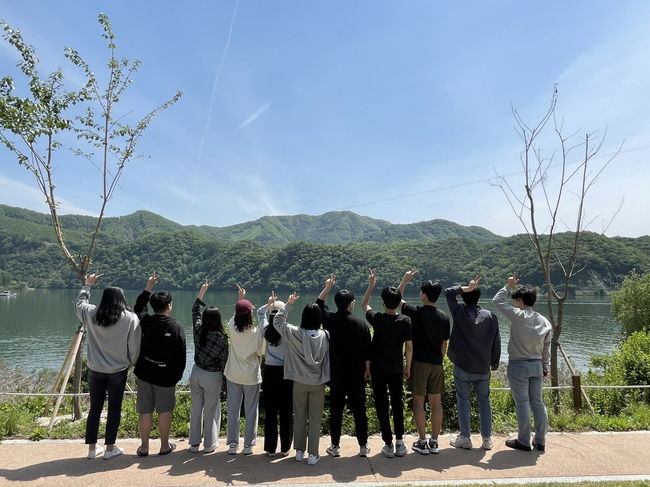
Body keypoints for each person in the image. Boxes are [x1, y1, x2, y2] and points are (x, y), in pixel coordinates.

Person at [74, 272, 141, 460]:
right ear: (122, 299)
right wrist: (131, 362)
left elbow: (79, 304)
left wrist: (87, 285)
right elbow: (134, 347)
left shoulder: (91, 313)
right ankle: (110, 448)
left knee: (94, 409)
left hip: (95, 369)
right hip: (118, 371)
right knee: (114, 409)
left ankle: (92, 449)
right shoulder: (130, 318)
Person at [492, 276, 552, 452]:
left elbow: (497, 301)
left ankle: (524, 440)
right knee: (538, 403)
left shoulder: (518, 315)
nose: (514, 303)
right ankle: (540, 440)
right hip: (537, 366)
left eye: (515, 300)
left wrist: (508, 286)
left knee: (522, 403)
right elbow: (546, 350)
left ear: (520, 300)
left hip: (518, 365)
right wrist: (546, 367)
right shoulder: (545, 322)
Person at [316, 274, 372, 458]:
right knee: (359, 410)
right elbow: (367, 352)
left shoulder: (331, 320)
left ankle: (335, 446)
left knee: (336, 410)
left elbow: (319, 304)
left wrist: (327, 287)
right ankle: (363, 446)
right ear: (351, 304)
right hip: (356, 373)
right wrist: (367, 370)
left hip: (336, 373)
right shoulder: (361, 325)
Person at [273, 292, 330, 465]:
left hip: (299, 381)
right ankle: (313, 454)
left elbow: (277, 321)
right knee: (315, 418)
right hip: (318, 382)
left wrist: (288, 304)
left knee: (299, 416)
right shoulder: (325, 335)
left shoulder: (295, 332)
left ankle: (299, 451)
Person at [398, 267, 449, 455]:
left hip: (419, 363)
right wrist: (440, 359)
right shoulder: (444, 317)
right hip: (436, 364)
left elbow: (396, 300)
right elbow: (444, 344)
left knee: (418, 403)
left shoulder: (415, 312)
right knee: (436, 403)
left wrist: (405, 280)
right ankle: (434, 442)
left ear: (424, 295)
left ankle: (422, 441)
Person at [134, 272, 186, 457]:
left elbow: (139, 306)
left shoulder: (145, 321)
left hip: (145, 372)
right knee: (165, 411)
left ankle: (144, 447)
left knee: (144, 411)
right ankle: (164, 446)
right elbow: (181, 357)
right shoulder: (176, 327)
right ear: (169, 305)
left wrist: (149, 286)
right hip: (166, 376)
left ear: (153, 305)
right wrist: (175, 377)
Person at [362, 269, 413, 459]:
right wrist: (408, 366)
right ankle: (400, 442)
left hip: (378, 369)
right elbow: (409, 347)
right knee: (398, 404)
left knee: (382, 406)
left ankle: (388, 444)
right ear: (398, 302)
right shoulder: (405, 320)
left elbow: (364, 304)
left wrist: (371, 286)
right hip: (396, 368)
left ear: (383, 302)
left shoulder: (377, 318)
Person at [445, 276, 500, 450]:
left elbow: (449, 292)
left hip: (463, 365)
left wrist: (466, 287)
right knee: (484, 402)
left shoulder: (459, 312)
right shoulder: (490, 316)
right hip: (483, 367)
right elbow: (496, 340)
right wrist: (495, 362)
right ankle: (487, 439)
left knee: (463, 400)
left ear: (464, 297)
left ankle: (465, 437)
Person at [224, 284, 265, 456]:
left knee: (233, 409)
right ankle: (248, 445)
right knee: (251, 410)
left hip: (233, 374)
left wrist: (240, 298)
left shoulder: (232, 328)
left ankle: (233, 444)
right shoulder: (256, 332)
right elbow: (261, 352)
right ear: (249, 315)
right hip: (251, 376)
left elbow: (235, 317)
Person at [188, 280, 228, 454]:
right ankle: (209, 444)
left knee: (196, 408)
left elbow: (195, 311)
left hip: (196, 372)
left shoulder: (199, 330)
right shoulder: (221, 338)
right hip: (213, 375)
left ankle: (194, 444)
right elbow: (224, 362)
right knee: (211, 409)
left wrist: (201, 293)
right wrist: (225, 383)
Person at [258, 291, 293, 457]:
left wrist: (269, 304)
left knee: (270, 412)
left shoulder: (266, 330)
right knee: (286, 411)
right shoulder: (287, 331)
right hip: (286, 373)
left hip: (270, 372)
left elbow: (259, 313)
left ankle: (270, 448)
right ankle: (285, 447)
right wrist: (287, 305)